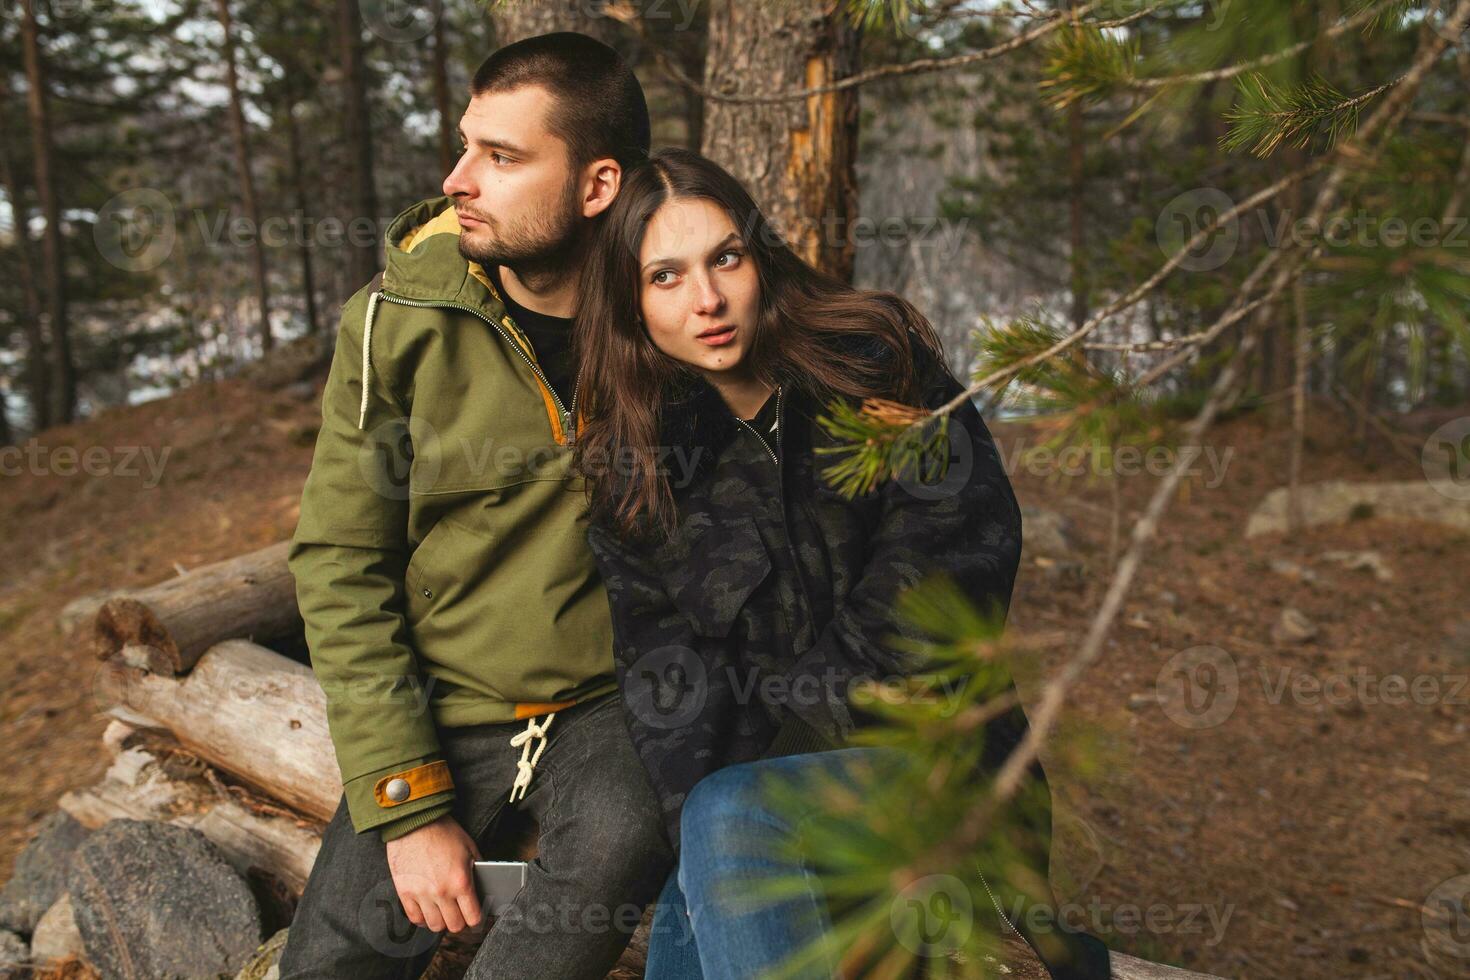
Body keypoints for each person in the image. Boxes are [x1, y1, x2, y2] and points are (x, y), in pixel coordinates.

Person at [570, 147, 1112, 980]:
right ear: (630, 304)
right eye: (665, 278)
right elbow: (663, 677)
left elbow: (951, 565)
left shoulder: (873, 362)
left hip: (940, 765)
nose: (707, 300)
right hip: (753, 807)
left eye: (726, 259)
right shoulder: (636, 467)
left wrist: (776, 761)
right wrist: (720, 808)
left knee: (727, 822)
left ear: (762, 258)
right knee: (694, 889)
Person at [279, 33, 672, 980]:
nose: (459, 179)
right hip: (443, 696)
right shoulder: (398, 322)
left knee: (616, 847)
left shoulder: (675, 310)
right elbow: (339, 561)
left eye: (502, 157)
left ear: (597, 185)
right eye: (466, 146)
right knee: (328, 967)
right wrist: (409, 805)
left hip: (613, 705)